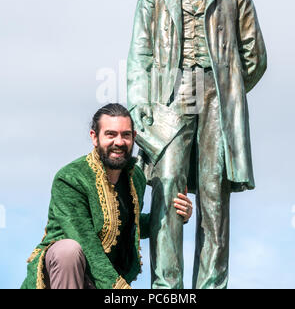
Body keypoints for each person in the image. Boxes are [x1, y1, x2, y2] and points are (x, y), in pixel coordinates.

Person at [127, 0, 267, 289]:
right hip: (169, 98)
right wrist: (141, 104)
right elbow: (140, 55)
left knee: (213, 195)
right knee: (167, 184)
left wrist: (229, 91)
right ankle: (165, 287)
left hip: (217, 100)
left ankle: (210, 285)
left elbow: (255, 58)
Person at [21, 103, 192, 289]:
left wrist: (175, 215)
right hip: (64, 276)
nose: (119, 142)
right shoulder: (70, 178)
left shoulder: (136, 179)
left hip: (101, 280)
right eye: (111, 134)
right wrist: (117, 287)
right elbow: (84, 239)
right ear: (94, 137)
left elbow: (128, 224)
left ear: (134, 138)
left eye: (125, 135)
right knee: (68, 251)